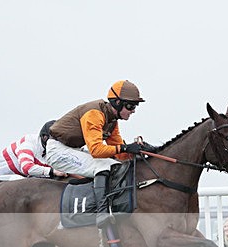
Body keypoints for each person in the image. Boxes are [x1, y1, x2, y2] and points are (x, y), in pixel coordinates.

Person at [45, 80, 153, 227]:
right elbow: (96, 150)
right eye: (130, 106)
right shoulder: (94, 114)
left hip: (72, 149)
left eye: (135, 106)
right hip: (57, 151)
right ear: (117, 103)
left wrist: (138, 152)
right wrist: (126, 148)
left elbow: (119, 153)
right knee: (103, 165)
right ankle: (101, 213)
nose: (133, 110)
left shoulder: (112, 121)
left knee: (114, 164)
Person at [0, 121, 69, 179]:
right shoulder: (28, 144)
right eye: (55, 140)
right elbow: (26, 168)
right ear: (44, 137)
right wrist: (52, 171)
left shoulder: (48, 150)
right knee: (22, 182)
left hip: (23, 175)